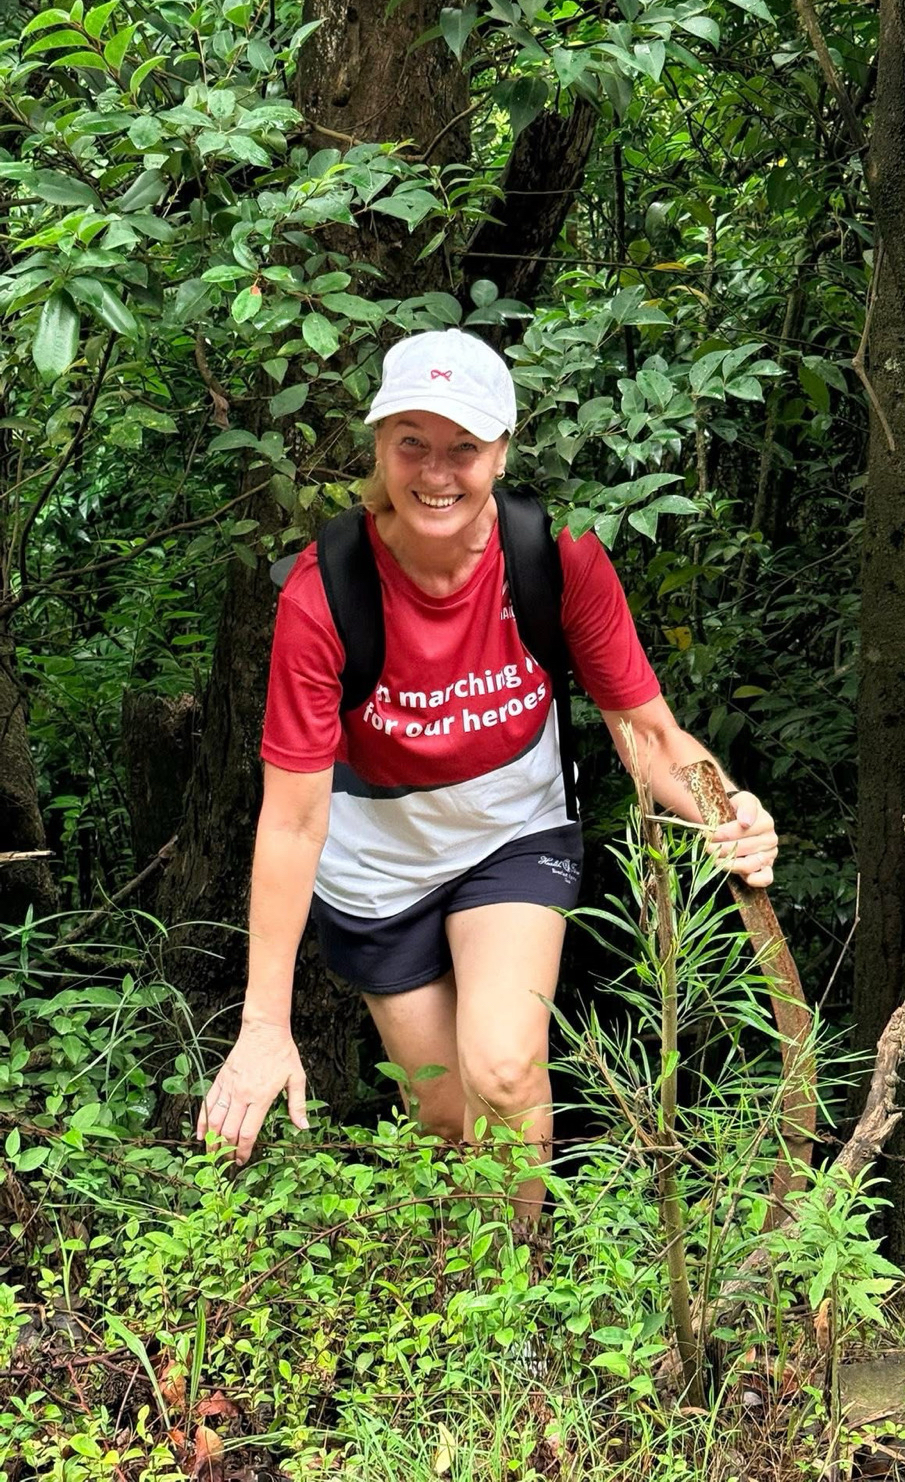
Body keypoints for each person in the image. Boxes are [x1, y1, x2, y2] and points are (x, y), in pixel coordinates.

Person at [196, 329, 778, 1217]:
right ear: (380, 448)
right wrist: (263, 1027)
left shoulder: (557, 558)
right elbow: (293, 820)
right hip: (378, 869)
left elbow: (651, 736)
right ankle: (471, 1285)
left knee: (503, 1072)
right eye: (412, 444)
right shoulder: (325, 593)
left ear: (502, 451)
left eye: (463, 446)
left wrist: (727, 806)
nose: (437, 472)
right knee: (442, 1116)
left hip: (513, 835)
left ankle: (529, 1293)